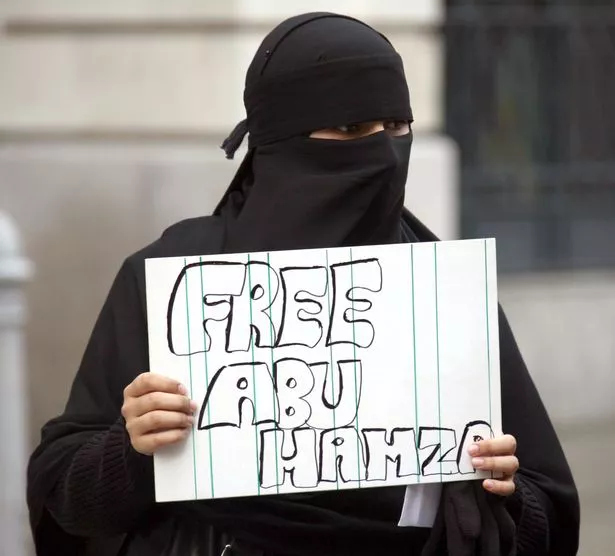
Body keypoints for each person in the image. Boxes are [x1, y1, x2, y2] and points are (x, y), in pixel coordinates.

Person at [27, 12, 580, 556]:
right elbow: (62, 497)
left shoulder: (444, 294)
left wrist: (496, 496)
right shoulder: (176, 277)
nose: (384, 151)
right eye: (350, 129)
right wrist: (132, 451)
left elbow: (548, 515)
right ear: (281, 141)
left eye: (398, 127)